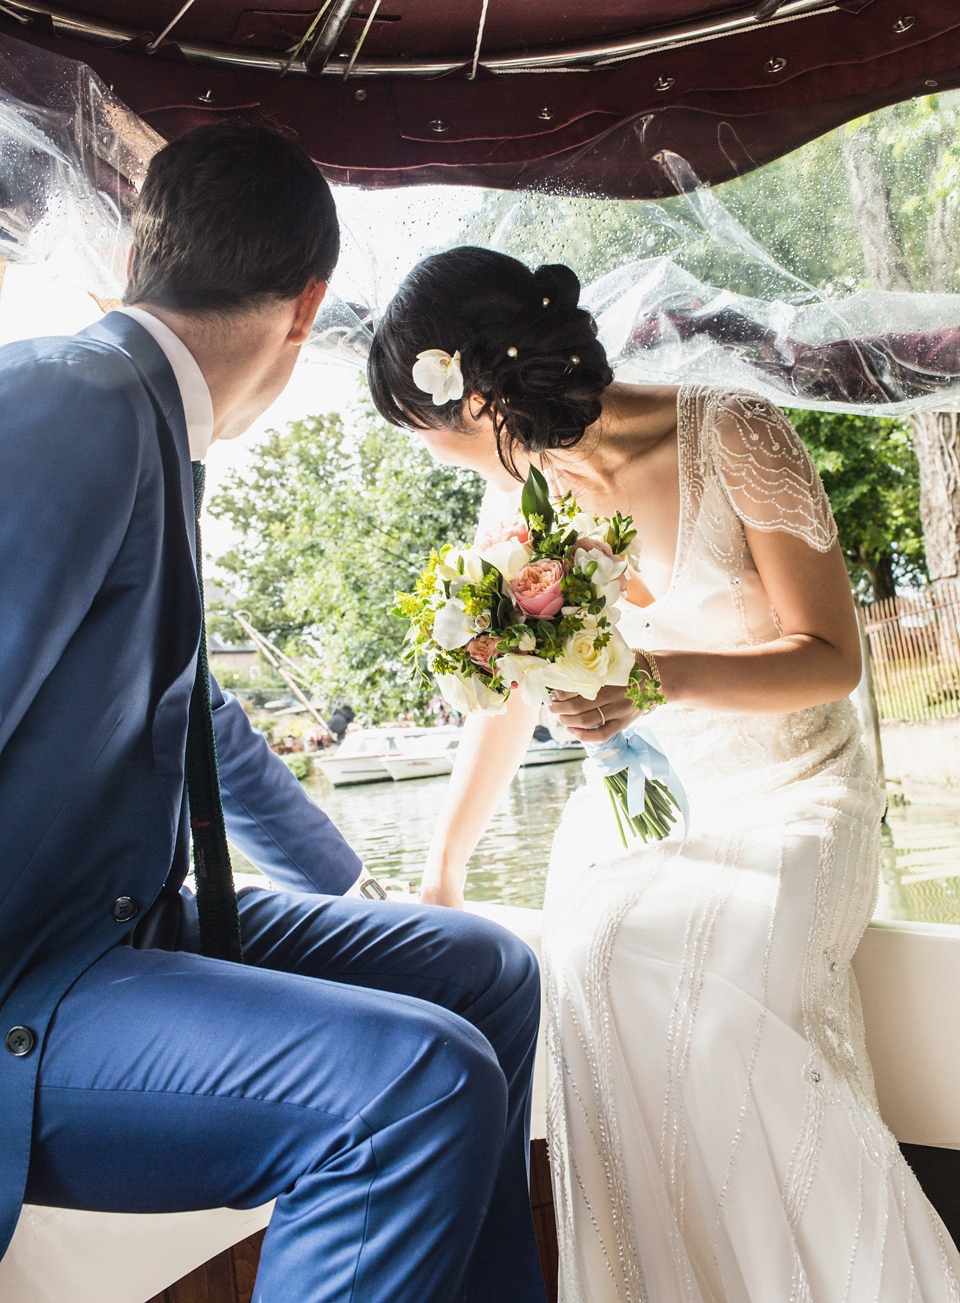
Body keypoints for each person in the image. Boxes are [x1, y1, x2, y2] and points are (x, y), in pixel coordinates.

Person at [0, 135, 547, 1303]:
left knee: (485, 972)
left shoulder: (145, 422)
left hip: (121, 929)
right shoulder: (73, 401)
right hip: (28, 980)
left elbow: (199, 712)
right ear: (307, 310)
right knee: (418, 1084)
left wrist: (346, 884)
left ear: (150, 251)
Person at [367, 245, 960, 1302]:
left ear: (489, 395)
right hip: (644, 812)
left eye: (443, 439)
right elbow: (506, 704)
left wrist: (656, 677)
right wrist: (445, 871)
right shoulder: (520, 497)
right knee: (590, 956)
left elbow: (832, 660)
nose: (449, 466)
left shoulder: (728, 428)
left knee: (681, 977)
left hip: (796, 789)